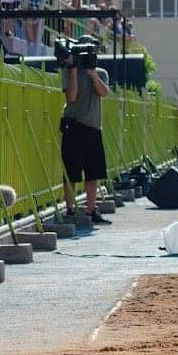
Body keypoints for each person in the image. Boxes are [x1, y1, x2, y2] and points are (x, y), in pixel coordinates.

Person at [60, 35, 111, 224]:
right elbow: (71, 97)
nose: (89, 55)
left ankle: (91, 209)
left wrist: (92, 74)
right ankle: (70, 210)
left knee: (93, 172)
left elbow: (104, 93)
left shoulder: (101, 73)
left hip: (93, 127)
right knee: (71, 171)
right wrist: (74, 69)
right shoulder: (68, 70)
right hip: (73, 126)